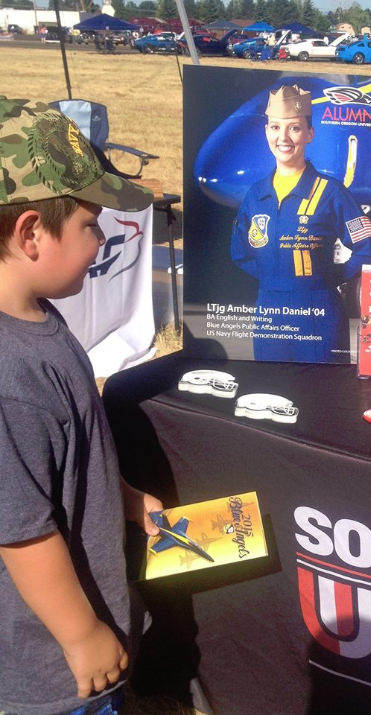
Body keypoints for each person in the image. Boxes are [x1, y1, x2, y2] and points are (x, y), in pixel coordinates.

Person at [0, 97, 163, 714]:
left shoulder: (39, 318)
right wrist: (81, 635)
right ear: (31, 232)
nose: (101, 240)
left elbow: (69, 450)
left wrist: (123, 497)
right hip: (52, 670)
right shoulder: (8, 374)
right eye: (91, 225)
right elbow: (20, 530)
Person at [231, 84, 371, 363]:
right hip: (269, 312)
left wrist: (329, 277)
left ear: (310, 133)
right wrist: (276, 278)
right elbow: (240, 253)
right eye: (275, 128)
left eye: (295, 128)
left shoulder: (331, 192)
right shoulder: (255, 195)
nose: (283, 138)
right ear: (266, 131)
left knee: (322, 396)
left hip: (318, 314)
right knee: (270, 391)